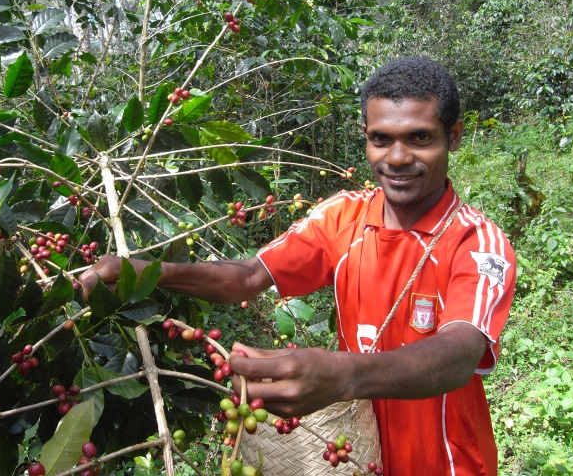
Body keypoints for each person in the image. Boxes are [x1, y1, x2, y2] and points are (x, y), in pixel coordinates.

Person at [80, 56, 516, 475]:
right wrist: (148, 271)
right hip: (359, 454)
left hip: (445, 464)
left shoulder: (476, 242)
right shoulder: (342, 216)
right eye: (381, 139)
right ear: (365, 135)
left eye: (420, 138)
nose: (397, 157)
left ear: (454, 136)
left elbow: (460, 353)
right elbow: (249, 276)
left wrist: (343, 375)